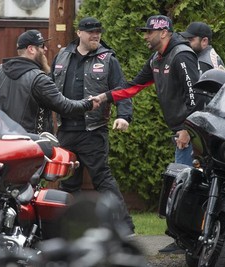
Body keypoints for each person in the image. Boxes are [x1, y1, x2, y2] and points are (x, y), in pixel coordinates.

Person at [92, 15, 204, 253]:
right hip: (182, 130)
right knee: (182, 184)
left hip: (193, 131)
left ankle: (187, 240)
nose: (145, 36)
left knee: (186, 186)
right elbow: (133, 86)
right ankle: (187, 239)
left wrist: (187, 129)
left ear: (164, 33)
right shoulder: (157, 58)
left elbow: (196, 96)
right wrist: (105, 97)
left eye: (148, 32)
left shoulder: (181, 55)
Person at [51, 17, 135, 235]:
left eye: (98, 32)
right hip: (66, 130)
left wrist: (124, 115)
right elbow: (48, 91)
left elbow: (121, 90)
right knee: (67, 182)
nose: (96, 35)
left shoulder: (108, 59)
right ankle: (64, 229)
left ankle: (125, 228)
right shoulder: (61, 56)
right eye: (91, 32)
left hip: (93, 131)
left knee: (102, 179)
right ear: (79, 33)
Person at [0, 29, 98, 134]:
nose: (45, 49)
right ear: (31, 49)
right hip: (29, 145)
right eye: (42, 46)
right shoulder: (39, 78)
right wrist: (88, 103)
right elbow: (65, 106)